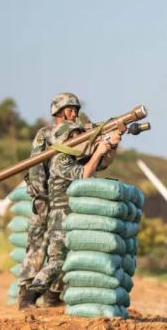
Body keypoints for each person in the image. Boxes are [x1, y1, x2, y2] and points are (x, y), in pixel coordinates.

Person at [27, 94, 121, 305]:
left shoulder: (71, 156)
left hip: (74, 213)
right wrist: (98, 151)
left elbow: (100, 165)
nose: (79, 139)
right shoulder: (60, 159)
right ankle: (30, 296)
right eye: (75, 136)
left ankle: (52, 297)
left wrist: (111, 146)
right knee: (57, 260)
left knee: (71, 259)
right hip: (60, 214)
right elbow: (85, 174)